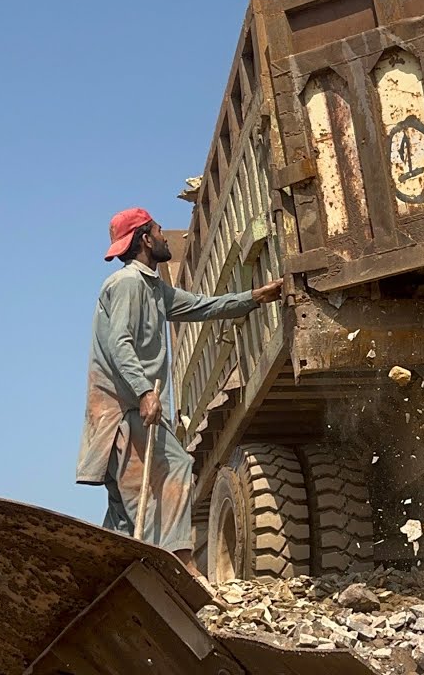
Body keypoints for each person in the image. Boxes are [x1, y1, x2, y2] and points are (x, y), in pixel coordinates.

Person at [78, 207, 282, 577]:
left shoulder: (154, 289)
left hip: (126, 414)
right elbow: (119, 342)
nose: (163, 236)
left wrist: (255, 297)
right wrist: (144, 392)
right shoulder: (126, 284)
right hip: (125, 413)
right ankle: (182, 564)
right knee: (175, 467)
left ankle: (102, 581)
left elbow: (203, 307)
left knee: (126, 515)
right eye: (158, 230)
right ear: (145, 240)